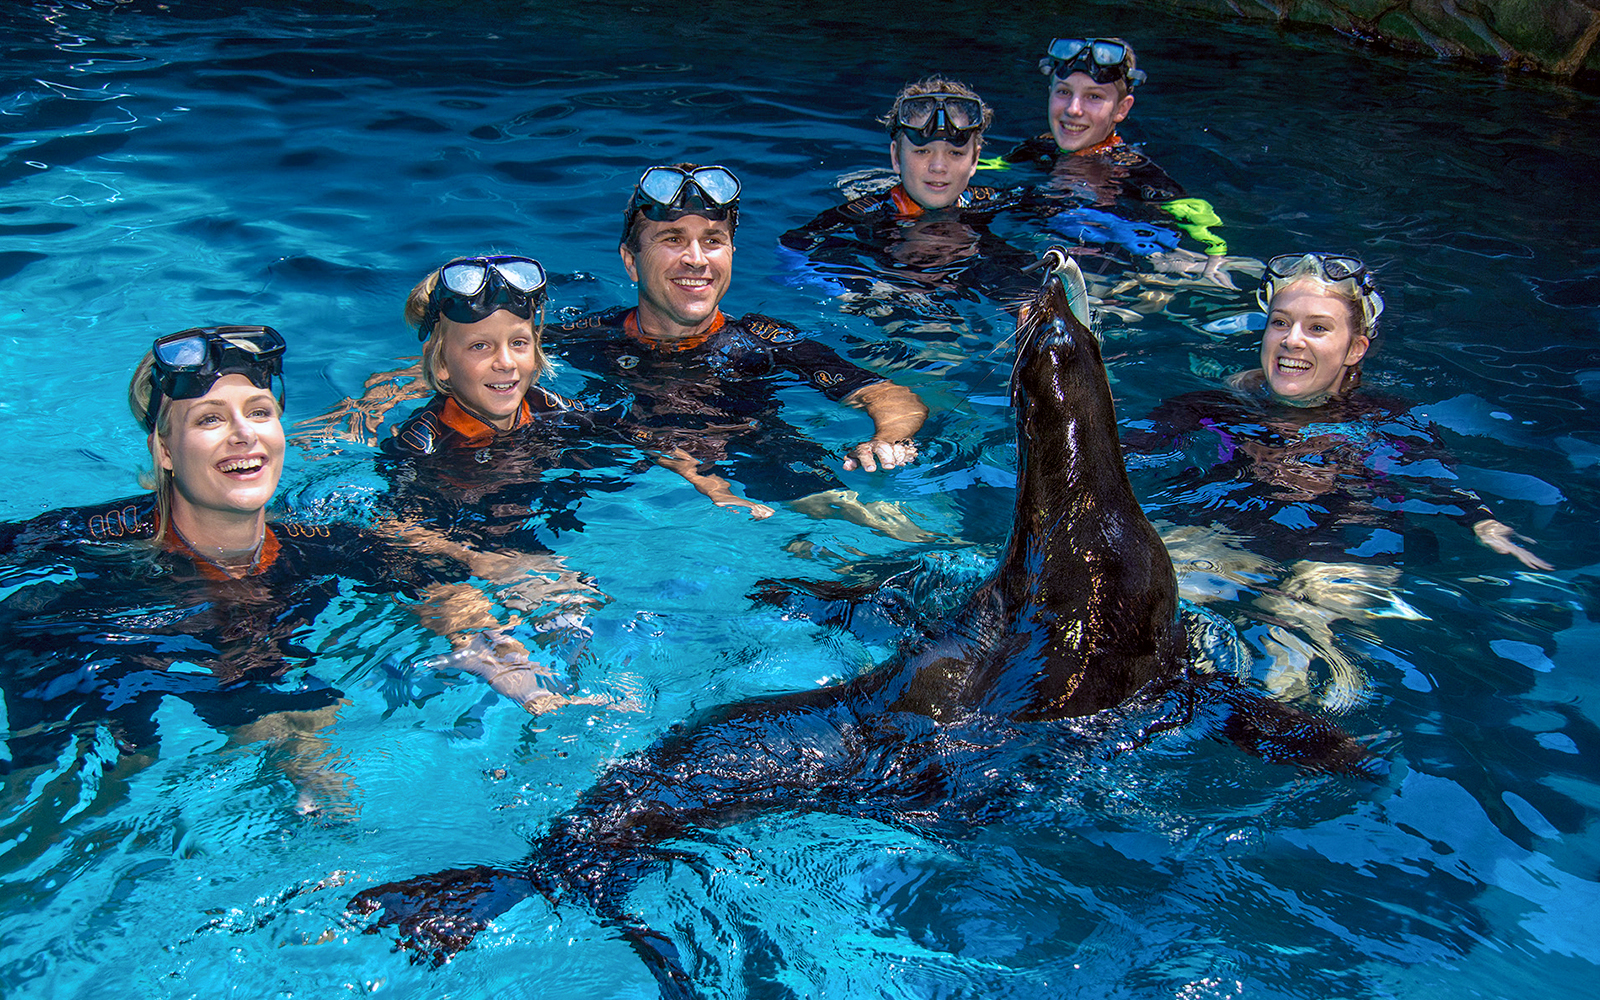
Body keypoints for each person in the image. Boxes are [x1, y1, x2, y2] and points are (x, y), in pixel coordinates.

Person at [0, 327, 587, 808]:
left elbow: (436, 588)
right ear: (163, 450)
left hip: (235, 663)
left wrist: (507, 663)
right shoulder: (95, 535)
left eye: (259, 413)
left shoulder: (322, 543)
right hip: (75, 660)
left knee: (310, 732)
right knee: (103, 776)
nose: (242, 437)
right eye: (209, 420)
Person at [551, 162, 931, 528]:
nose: (696, 259)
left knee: (878, 524)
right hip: (617, 487)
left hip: (763, 473)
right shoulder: (588, 336)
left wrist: (886, 439)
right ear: (631, 262)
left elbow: (883, 394)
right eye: (672, 239)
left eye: (713, 241)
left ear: (731, 254)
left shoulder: (764, 341)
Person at [1134, 253, 1552, 571]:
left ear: (1354, 349)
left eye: (1317, 328)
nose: (1292, 340)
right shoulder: (1206, 408)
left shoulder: (1384, 420)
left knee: (1305, 637)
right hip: (1220, 530)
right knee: (1172, 577)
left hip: (1346, 546)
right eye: (1280, 322)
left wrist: (1484, 524)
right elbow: (1128, 450)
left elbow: (1435, 478)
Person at [779, 77, 1036, 337]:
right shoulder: (869, 212)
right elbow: (791, 248)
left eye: (955, 153)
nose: (938, 167)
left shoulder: (987, 201)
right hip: (892, 290)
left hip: (965, 281)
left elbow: (1053, 207)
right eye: (922, 151)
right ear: (895, 156)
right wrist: (854, 288)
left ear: (974, 160)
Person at [993, 37, 1245, 291]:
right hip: (1046, 251)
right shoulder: (1039, 148)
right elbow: (993, 167)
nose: (1073, 109)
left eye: (1093, 96)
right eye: (1064, 92)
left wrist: (1215, 253)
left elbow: (1192, 209)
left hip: (1113, 269)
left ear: (1121, 109)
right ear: (1050, 93)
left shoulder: (1131, 169)